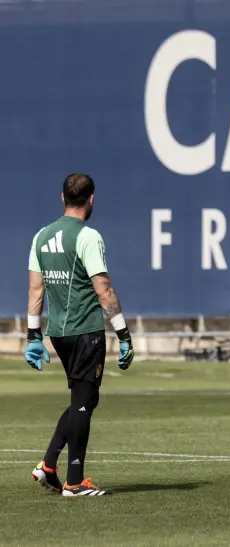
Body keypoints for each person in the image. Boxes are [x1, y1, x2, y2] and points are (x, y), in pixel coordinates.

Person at [25, 173, 135, 497]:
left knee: (82, 399)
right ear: (91, 200)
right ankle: (74, 481)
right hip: (86, 331)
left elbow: (36, 288)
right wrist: (124, 334)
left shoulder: (41, 237)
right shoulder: (88, 237)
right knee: (85, 402)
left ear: (62, 198)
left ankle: (47, 465)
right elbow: (104, 289)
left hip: (58, 333)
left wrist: (33, 334)